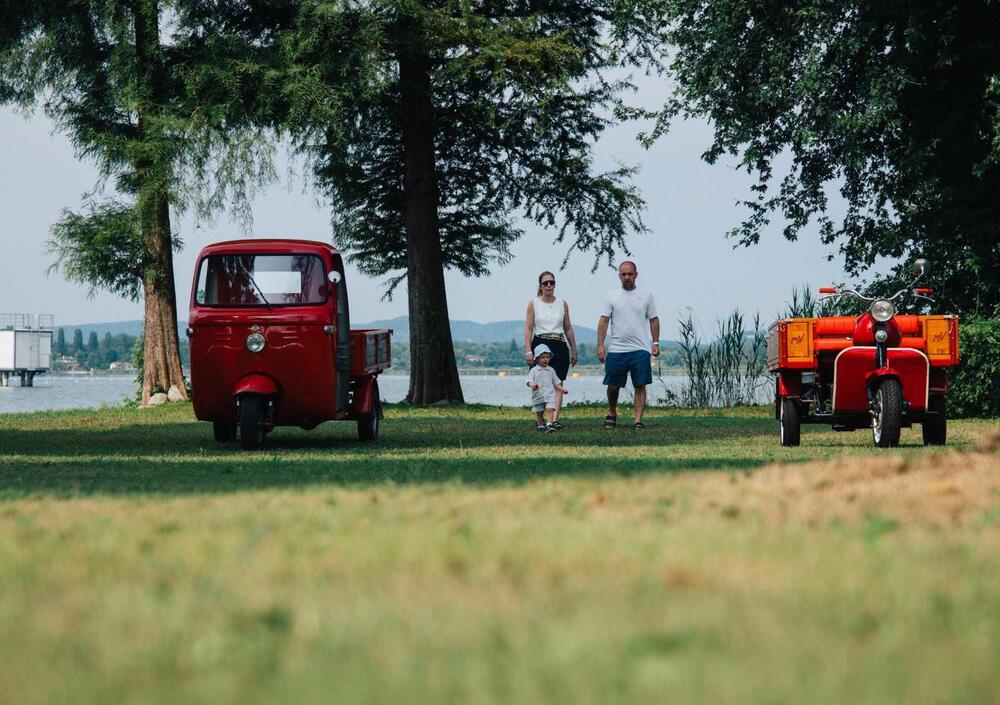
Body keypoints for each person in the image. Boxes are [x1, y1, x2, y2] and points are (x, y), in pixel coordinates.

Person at [596, 261, 660, 429]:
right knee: (613, 385)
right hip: (617, 349)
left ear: (636, 275)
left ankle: (637, 420)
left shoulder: (646, 295)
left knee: (640, 384)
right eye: (623, 274)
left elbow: (654, 319)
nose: (627, 277)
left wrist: (655, 342)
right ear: (619, 276)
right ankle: (612, 413)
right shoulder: (611, 296)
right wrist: (600, 345)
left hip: (640, 349)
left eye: (630, 274)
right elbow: (604, 321)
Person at [524, 270, 578, 428]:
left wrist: (574, 349)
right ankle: (540, 418)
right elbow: (528, 328)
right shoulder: (533, 303)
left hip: (559, 342)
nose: (549, 285)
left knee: (557, 381)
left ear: (555, 285)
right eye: (545, 283)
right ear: (540, 285)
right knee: (539, 380)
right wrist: (528, 350)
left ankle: (554, 419)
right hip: (540, 342)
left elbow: (568, 328)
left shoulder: (562, 303)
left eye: (551, 282)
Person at [526, 344, 569, 432]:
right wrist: (532, 384)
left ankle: (549, 424)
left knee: (550, 409)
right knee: (539, 412)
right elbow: (528, 381)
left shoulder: (551, 370)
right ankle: (540, 426)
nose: (546, 359)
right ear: (537, 358)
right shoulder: (533, 370)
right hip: (538, 395)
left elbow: (556, 382)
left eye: (548, 357)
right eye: (543, 357)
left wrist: (562, 389)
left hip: (549, 395)